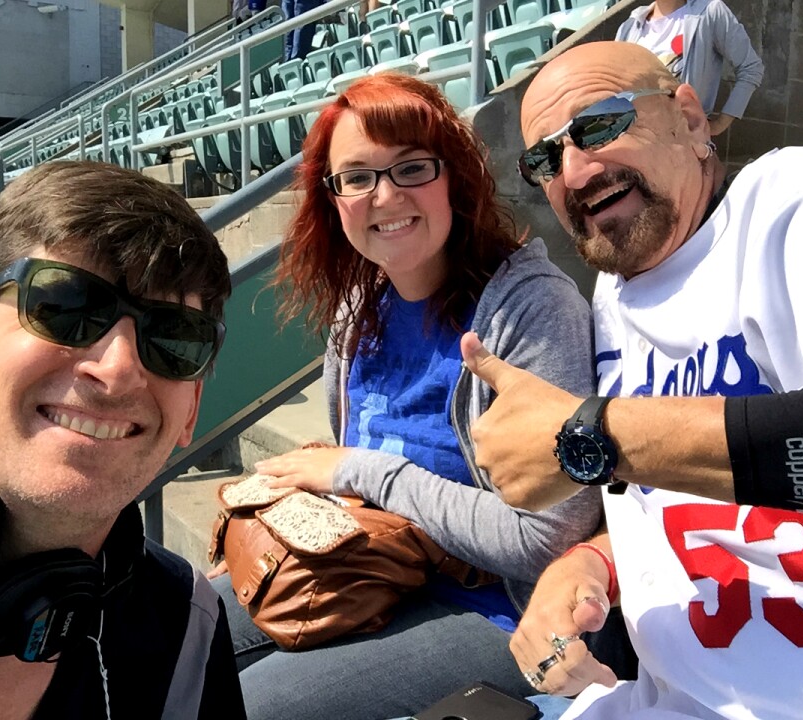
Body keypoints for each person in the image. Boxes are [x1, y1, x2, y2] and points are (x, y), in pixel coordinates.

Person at [209, 72, 620, 720]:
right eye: (358, 176)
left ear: (452, 175)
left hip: (496, 608)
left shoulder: (534, 309)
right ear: (332, 197)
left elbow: (547, 538)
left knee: (246, 707)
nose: (385, 195)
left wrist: (359, 471)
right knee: (176, 635)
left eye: (411, 168)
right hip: (370, 571)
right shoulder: (358, 308)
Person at [462, 40, 803, 719]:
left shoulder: (797, 202)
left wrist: (591, 436)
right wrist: (593, 564)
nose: (572, 171)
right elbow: (703, 500)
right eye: (545, 157)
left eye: (598, 125)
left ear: (690, 120)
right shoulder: (612, 297)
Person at [0, 161, 246, 719]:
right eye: (65, 306)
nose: (117, 369)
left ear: (190, 411)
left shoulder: (187, 632)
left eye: (173, 338)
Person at [615, 0, 763, 136]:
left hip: (684, 142)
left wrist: (719, 125)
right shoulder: (630, 26)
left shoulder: (709, 11)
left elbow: (751, 68)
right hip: (636, 137)